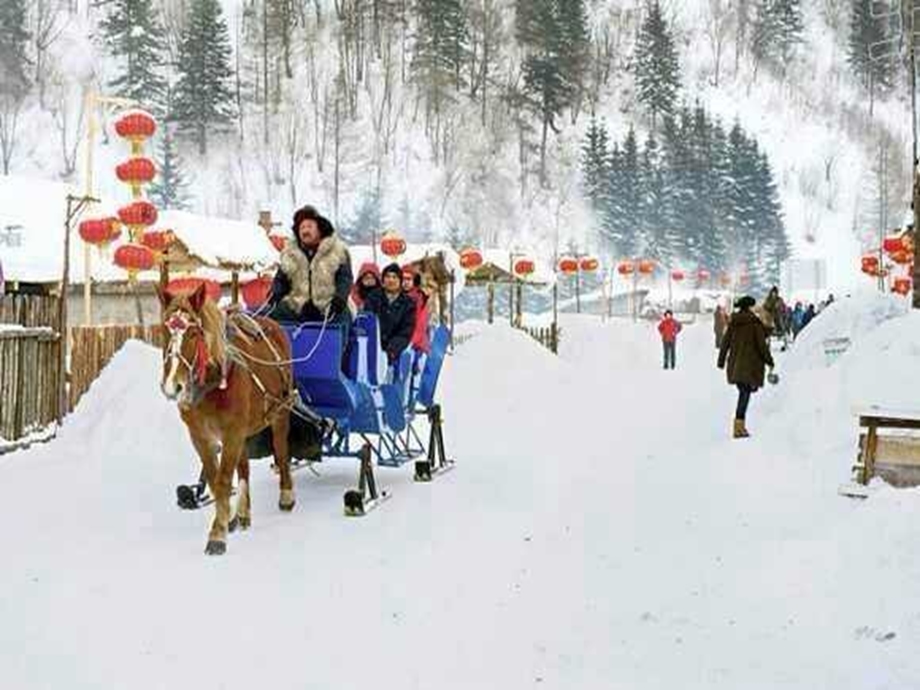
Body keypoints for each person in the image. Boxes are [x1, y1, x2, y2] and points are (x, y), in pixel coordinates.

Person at [267, 205, 353, 332]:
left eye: (309, 226)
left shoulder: (337, 250)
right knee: (272, 318)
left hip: (329, 305)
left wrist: (339, 298)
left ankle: (338, 350)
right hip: (298, 306)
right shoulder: (290, 254)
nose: (305, 231)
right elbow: (281, 279)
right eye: (302, 227)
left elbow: (345, 278)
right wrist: (276, 292)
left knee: (341, 319)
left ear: (319, 229)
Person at [718, 295, 775, 439]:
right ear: (749, 307)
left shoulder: (734, 323)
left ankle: (739, 426)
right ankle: (738, 427)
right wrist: (769, 361)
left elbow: (725, 342)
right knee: (745, 394)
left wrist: (721, 360)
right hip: (749, 366)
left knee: (744, 392)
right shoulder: (754, 323)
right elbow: (762, 345)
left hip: (736, 365)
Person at [364, 263, 416, 366]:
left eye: (394, 277)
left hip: (394, 352)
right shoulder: (373, 297)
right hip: (372, 347)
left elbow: (405, 332)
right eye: (387, 276)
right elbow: (367, 322)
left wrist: (391, 350)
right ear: (383, 280)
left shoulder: (408, 304)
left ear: (400, 281)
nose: (391, 280)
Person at [402, 265, 431, 354]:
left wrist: (411, 342)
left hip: (417, 343)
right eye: (403, 279)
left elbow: (420, 324)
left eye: (408, 279)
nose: (405, 282)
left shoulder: (419, 299)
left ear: (414, 281)